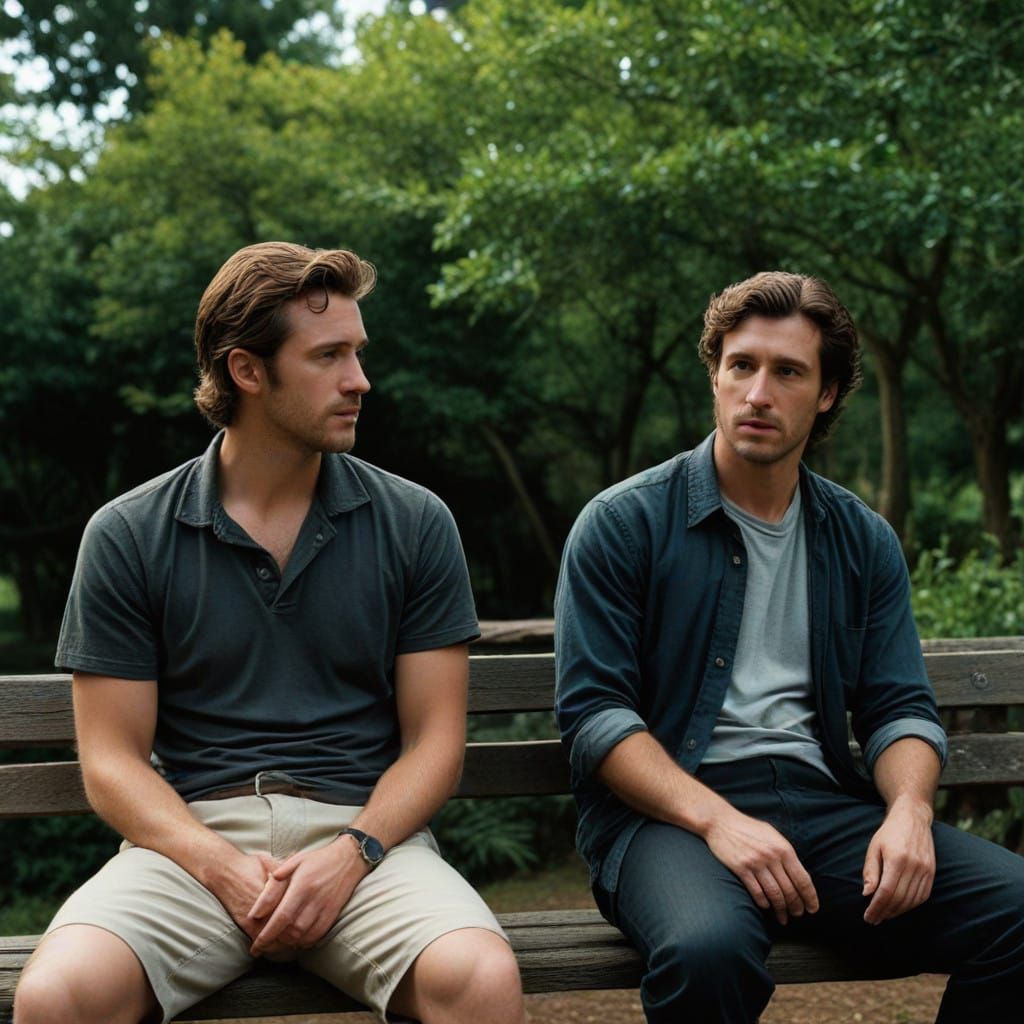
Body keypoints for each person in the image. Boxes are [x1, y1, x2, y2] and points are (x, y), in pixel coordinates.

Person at [14, 242, 525, 1024]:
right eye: (328, 356)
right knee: (58, 998)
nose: (359, 379)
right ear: (247, 371)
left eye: (357, 352)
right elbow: (112, 761)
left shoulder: (416, 523)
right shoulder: (129, 534)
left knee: (481, 981)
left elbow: (434, 744)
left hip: (369, 841)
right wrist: (220, 866)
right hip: (191, 844)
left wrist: (352, 854)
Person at [554, 271, 1024, 1023]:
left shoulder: (861, 539)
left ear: (828, 393)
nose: (758, 393)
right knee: (708, 950)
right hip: (667, 820)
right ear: (715, 374)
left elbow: (899, 706)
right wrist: (719, 821)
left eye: (788, 372)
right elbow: (596, 717)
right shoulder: (623, 523)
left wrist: (908, 810)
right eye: (741, 365)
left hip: (823, 807)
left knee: (1018, 910)